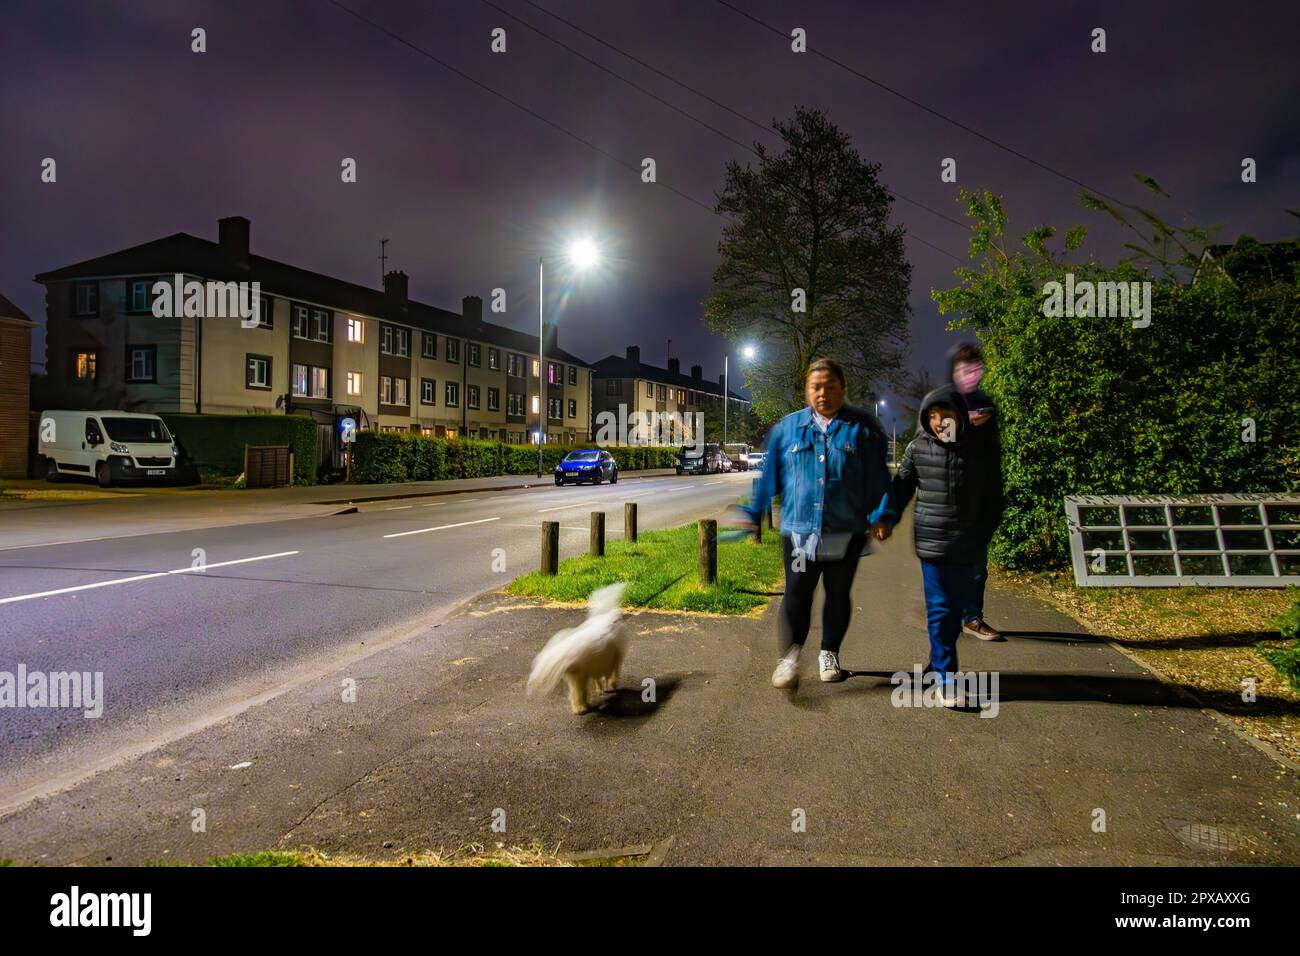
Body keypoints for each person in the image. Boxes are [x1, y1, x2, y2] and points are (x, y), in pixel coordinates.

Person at [739, 358, 892, 688]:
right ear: (807, 390)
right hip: (798, 531)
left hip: (845, 530)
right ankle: (789, 657)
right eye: (815, 387)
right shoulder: (788, 429)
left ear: (843, 389)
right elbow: (770, 478)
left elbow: (879, 481)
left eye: (830, 387)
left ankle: (830, 653)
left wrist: (881, 515)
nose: (822, 393)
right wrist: (755, 511)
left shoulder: (863, 429)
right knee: (797, 592)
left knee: (838, 594)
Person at [873, 384, 1004, 706]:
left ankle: (937, 662)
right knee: (941, 609)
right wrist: (885, 517)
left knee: (954, 611)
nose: (939, 421)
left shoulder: (979, 449)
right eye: (932, 415)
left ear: (959, 415)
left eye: (945, 414)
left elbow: (995, 497)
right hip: (933, 544)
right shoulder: (918, 449)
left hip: (969, 545)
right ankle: (947, 678)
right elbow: (900, 488)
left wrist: (983, 533)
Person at [949, 342, 1003, 640]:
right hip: (953, 498)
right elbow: (939, 438)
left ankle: (971, 616)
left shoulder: (987, 404)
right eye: (963, 369)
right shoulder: (946, 402)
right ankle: (955, 613)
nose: (969, 375)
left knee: (977, 563)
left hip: (982, 498)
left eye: (974, 369)